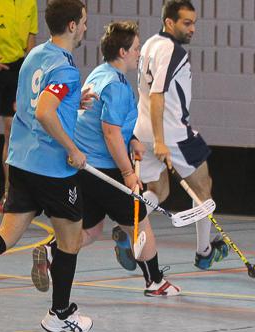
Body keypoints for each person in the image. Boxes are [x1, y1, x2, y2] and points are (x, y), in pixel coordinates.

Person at [32, 21, 182, 298]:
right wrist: (128, 173)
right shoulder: (117, 85)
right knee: (140, 225)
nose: (139, 53)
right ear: (123, 52)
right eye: (136, 48)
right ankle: (155, 282)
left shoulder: (99, 74)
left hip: (83, 168)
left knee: (90, 228)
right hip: (105, 170)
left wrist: (132, 140)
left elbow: (107, 123)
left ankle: (50, 251)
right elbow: (110, 133)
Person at [0, 0, 92, 332]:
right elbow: (44, 111)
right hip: (52, 170)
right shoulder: (64, 68)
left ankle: (60, 312)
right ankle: (60, 314)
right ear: (72, 26)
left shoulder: (34, 56)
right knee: (70, 240)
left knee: (6, 235)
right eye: (83, 21)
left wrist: (72, 102)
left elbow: (30, 103)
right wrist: (73, 149)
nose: (86, 27)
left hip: (21, 163)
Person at [130, 0, 228, 271]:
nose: (192, 29)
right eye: (186, 23)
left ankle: (128, 230)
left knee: (157, 190)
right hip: (173, 134)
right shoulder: (173, 51)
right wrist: (161, 141)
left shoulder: (149, 44)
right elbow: (157, 95)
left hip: (141, 131)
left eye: (194, 23)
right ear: (169, 22)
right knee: (203, 188)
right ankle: (204, 252)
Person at [0, 0, 38, 222]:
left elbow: (31, 43)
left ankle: (9, 195)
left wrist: (29, 79)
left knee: (12, 133)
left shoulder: (29, 4)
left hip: (16, 70)